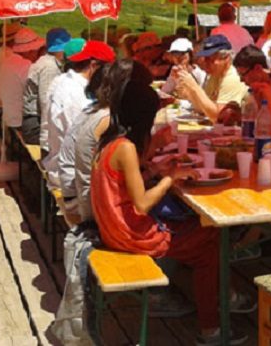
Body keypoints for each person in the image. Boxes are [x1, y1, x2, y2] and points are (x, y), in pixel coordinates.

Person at [90, 69, 250, 345]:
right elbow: (141, 205)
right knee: (210, 242)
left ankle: (221, 297)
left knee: (200, 231)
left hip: (111, 227)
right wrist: (169, 178)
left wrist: (153, 171)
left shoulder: (110, 141)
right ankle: (211, 328)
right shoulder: (126, 148)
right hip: (128, 234)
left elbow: (127, 187)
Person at [44, 40, 115, 186]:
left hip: (57, 162)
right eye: (108, 69)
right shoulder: (80, 96)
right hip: (71, 175)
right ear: (94, 66)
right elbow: (86, 144)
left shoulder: (62, 81)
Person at [175, 35, 248, 123]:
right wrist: (189, 91)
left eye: (210, 59)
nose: (206, 63)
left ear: (226, 58)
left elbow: (218, 117)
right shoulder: (215, 75)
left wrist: (193, 86)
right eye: (205, 59)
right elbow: (202, 108)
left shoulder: (232, 78)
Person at [21, 28, 70, 149]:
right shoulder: (49, 67)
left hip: (33, 123)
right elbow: (47, 103)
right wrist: (46, 140)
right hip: (35, 126)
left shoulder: (47, 62)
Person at [0, 27, 45, 133]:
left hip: (8, 117)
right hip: (20, 121)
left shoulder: (8, 61)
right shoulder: (26, 66)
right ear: (30, 51)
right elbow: (39, 91)